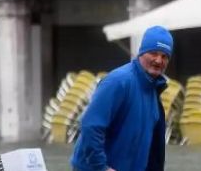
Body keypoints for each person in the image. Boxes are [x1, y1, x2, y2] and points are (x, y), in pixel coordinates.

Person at [70, 25, 173, 171]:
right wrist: (101, 167)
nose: (158, 60)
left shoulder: (152, 90)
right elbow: (91, 125)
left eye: (164, 56)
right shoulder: (118, 81)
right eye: (153, 53)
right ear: (141, 52)